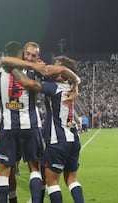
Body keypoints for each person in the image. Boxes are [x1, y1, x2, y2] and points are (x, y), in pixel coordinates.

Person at [11, 55, 84, 203]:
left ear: (62, 73)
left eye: (55, 66)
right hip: (73, 139)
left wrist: (13, 67)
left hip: (58, 140)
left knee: (52, 183)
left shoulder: (54, 87)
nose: (51, 69)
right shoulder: (70, 86)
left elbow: (26, 82)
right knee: (72, 180)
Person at [0, 41, 46, 203]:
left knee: (4, 171)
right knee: (34, 168)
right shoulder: (32, 73)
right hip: (30, 126)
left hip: (8, 127)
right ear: (21, 54)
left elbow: (4, 62)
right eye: (26, 55)